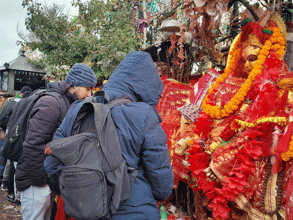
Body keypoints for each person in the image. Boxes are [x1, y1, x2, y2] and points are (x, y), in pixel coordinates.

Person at [161, 11, 293, 219]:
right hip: (213, 156)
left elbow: (255, 129)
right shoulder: (219, 82)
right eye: (244, 59)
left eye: (253, 59)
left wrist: (220, 153)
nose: (247, 65)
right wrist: (195, 138)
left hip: (252, 166)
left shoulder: (278, 88)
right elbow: (200, 112)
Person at [45, 51, 174, 220]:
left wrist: (82, 189)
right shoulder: (144, 115)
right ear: (147, 85)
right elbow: (162, 186)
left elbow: (51, 164)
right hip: (135, 210)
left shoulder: (78, 109)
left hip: (88, 209)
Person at [15, 63, 97, 220]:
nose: (89, 93)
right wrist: (41, 182)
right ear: (75, 85)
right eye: (87, 88)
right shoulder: (51, 103)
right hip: (35, 183)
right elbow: (32, 145)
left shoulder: (66, 102)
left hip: (45, 180)